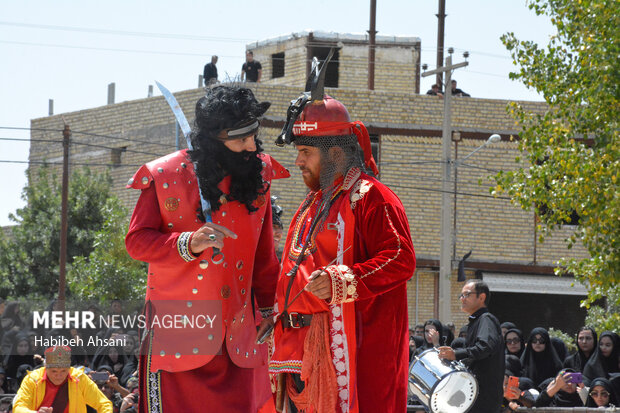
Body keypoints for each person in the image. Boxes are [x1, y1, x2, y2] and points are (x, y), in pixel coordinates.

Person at [125, 85, 288, 412]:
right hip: (180, 334)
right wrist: (188, 243)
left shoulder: (261, 173)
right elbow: (136, 241)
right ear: (215, 138)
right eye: (240, 139)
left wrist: (271, 312)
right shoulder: (164, 174)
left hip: (239, 336)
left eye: (253, 137)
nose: (251, 147)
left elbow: (264, 259)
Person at [266, 59, 416, 413]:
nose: (298, 162)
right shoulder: (312, 203)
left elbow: (401, 258)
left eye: (306, 152)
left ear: (335, 152)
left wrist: (341, 280)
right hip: (296, 352)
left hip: (347, 353)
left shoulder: (373, 197)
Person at [438, 280, 504, 413]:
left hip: (484, 397)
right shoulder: (476, 321)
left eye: (467, 295)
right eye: (461, 296)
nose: (462, 299)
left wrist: (456, 354)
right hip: (474, 394)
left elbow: (485, 347)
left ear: (481, 297)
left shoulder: (486, 319)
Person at [13, 346, 112, 413]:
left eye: (64, 371)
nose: (59, 376)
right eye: (54, 371)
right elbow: (18, 407)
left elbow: (103, 404)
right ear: (45, 367)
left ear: (69, 367)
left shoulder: (79, 378)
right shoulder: (32, 380)